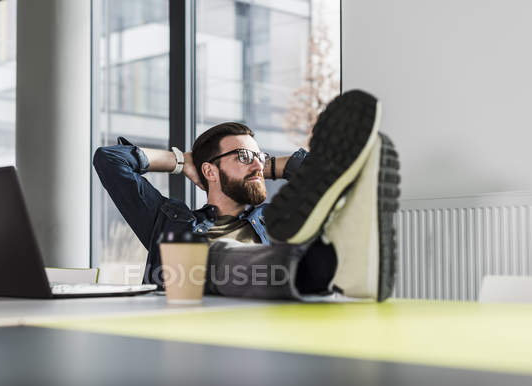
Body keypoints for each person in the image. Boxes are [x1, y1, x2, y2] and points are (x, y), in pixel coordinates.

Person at [93, 89, 400, 301]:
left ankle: (322, 262)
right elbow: (110, 160)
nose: (257, 162)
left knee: (263, 260)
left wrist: (263, 168)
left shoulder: (274, 218)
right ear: (210, 171)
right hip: (187, 325)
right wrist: (181, 161)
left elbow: (330, 172)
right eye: (242, 155)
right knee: (205, 260)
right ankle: (326, 263)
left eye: (260, 156)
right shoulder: (170, 221)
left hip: (261, 326)